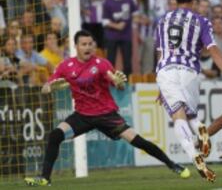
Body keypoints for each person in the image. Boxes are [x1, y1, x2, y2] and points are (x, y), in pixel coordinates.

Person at [24, 30, 189, 187]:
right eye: (84, 44)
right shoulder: (65, 66)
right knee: (55, 135)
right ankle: (45, 178)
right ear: (76, 46)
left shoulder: (101, 64)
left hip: (106, 115)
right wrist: (50, 87)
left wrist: (119, 82)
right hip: (82, 116)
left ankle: (172, 164)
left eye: (90, 44)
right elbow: (45, 87)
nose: (88, 47)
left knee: (138, 141)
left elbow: (119, 85)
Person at [155, 0, 222, 182]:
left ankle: (194, 156)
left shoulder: (163, 20)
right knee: (189, 115)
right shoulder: (201, 21)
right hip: (190, 72)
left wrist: (161, 86)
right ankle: (201, 128)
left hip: (166, 69)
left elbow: (159, 53)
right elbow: (213, 50)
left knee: (178, 115)